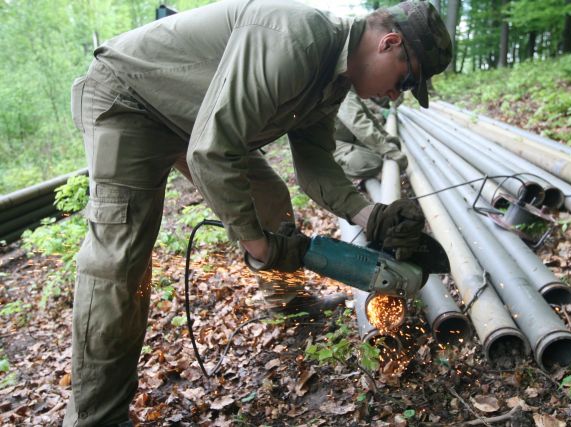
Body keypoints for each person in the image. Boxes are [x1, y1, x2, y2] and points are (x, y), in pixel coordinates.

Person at [65, 0, 451, 425]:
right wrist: (258, 245)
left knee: (269, 197)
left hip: (193, 116)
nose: (395, 95)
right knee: (120, 259)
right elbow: (212, 152)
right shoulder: (298, 40)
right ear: (389, 43)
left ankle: (286, 299)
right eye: (406, 80)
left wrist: (369, 216)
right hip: (130, 100)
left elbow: (314, 163)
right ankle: (98, 416)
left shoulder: (334, 80)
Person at [334, 90, 408, 180]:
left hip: (346, 138)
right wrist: (389, 150)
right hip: (328, 145)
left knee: (376, 154)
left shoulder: (352, 91)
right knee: (367, 162)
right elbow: (358, 124)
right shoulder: (342, 92)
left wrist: (387, 138)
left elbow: (370, 118)